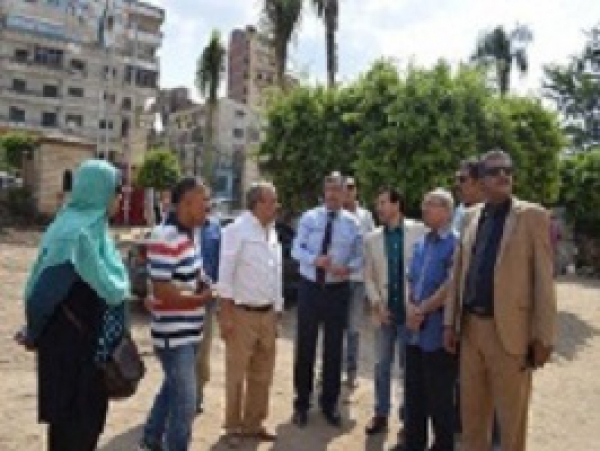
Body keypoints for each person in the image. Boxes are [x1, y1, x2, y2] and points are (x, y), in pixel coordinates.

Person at [444, 150, 557, 451]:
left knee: (511, 427)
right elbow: (459, 274)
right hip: (471, 332)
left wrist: (543, 336)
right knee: (472, 421)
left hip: (510, 335)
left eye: (508, 170)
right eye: (494, 172)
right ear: (480, 182)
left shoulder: (532, 216)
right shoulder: (469, 216)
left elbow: (544, 282)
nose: (504, 175)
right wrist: (450, 323)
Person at [16, 160, 129, 450]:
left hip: (92, 357)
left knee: (84, 430)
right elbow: (41, 296)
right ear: (99, 192)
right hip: (70, 357)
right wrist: (33, 331)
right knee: (72, 432)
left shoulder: (96, 232)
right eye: (117, 191)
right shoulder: (75, 236)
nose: (121, 197)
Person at [140, 178, 214, 451]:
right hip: (174, 337)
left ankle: (150, 438)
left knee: (172, 390)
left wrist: (204, 282)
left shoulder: (188, 235)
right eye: (203, 200)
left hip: (189, 332)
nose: (208, 206)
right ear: (186, 203)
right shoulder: (165, 236)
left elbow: (191, 273)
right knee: (185, 404)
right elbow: (162, 292)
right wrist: (201, 298)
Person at [291, 172, 362, 428]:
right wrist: (314, 260)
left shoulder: (353, 223)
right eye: (329, 189)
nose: (332, 194)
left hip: (337, 290)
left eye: (337, 189)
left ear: (345, 193)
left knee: (334, 349)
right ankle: (301, 402)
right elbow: (295, 249)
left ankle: (329, 403)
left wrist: (349, 268)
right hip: (311, 287)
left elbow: (359, 256)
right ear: (324, 191)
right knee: (305, 346)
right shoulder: (310, 218)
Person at [217, 182, 283, 447]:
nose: (277, 206)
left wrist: (277, 310)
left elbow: (274, 274)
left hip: (267, 313)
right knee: (236, 374)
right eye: (272, 201)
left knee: (263, 373)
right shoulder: (236, 230)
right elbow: (226, 273)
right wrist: (226, 314)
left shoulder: (272, 232)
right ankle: (233, 426)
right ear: (258, 204)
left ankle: (253, 424)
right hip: (242, 313)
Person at [363, 187, 426, 439]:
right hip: (384, 313)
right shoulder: (371, 239)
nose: (379, 208)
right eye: (377, 203)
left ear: (397, 205)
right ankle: (381, 412)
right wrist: (377, 304)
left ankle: (407, 416)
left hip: (409, 313)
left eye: (383, 203)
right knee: (381, 366)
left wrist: (418, 305)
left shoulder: (419, 232)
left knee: (408, 368)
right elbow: (368, 276)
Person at [400, 189, 458, 451]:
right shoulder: (423, 242)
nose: (423, 209)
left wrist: (422, 310)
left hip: (436, 331)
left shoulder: (456, 244)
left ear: (446, 211)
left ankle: (442, 445)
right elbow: (411, 279)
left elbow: (451, 286)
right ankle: (414, 442)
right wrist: (411, 307)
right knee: (413, 392)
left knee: (440, 397)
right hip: (414, 330)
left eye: (430, 205)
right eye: (423, 204)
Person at [342, 176, 375, 387]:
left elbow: (371, 245)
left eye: (351, 188)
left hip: (358, 279)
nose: (348, 191)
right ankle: (329, 369)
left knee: (353, 325)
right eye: (345, 188)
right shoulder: (336, 215)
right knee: (335, 325)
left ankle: (351, 370)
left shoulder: (366, 216)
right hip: (338, 279)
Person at [195, 189, 222, 414]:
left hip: (207, 299)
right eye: (201, 200)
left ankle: (197, 393)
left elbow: (220, 260)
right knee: (182, 350)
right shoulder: (177, 226)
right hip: (182, 297)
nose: (206, 204)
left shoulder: (215, 228)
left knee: (203, 349)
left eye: (207, 199)